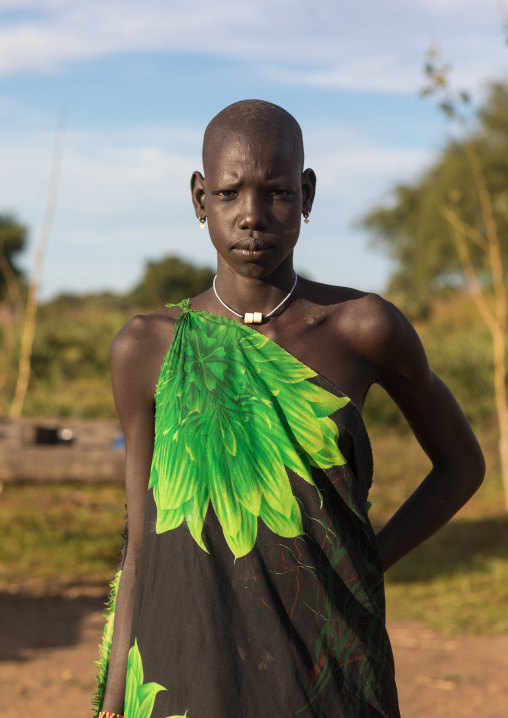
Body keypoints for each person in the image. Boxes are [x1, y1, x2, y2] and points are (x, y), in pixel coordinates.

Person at [93, 100, 485, 718]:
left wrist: (364, 562)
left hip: (328, 670)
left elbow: (462, 465)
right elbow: (142, 534)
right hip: (184, 668)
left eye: (275, 192)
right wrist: (114, 698)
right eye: (227, 193)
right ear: (200, 199)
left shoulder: (363, 329)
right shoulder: (147, 348)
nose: (251, 216)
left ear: (305, 193)